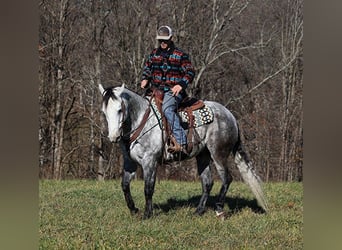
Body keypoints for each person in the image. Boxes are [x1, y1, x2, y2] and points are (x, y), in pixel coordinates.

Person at [141, 25, 195, 154]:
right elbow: (148, 68)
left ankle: (181, 140)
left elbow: (190, 72)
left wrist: (181, 84)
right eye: (160, 40)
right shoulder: (154, 54)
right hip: (156, 90)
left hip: (173, 91)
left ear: (171, 38)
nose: (163, 43)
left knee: (167, 109)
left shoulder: (180, 55)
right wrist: (145, 78)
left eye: (165, 40)